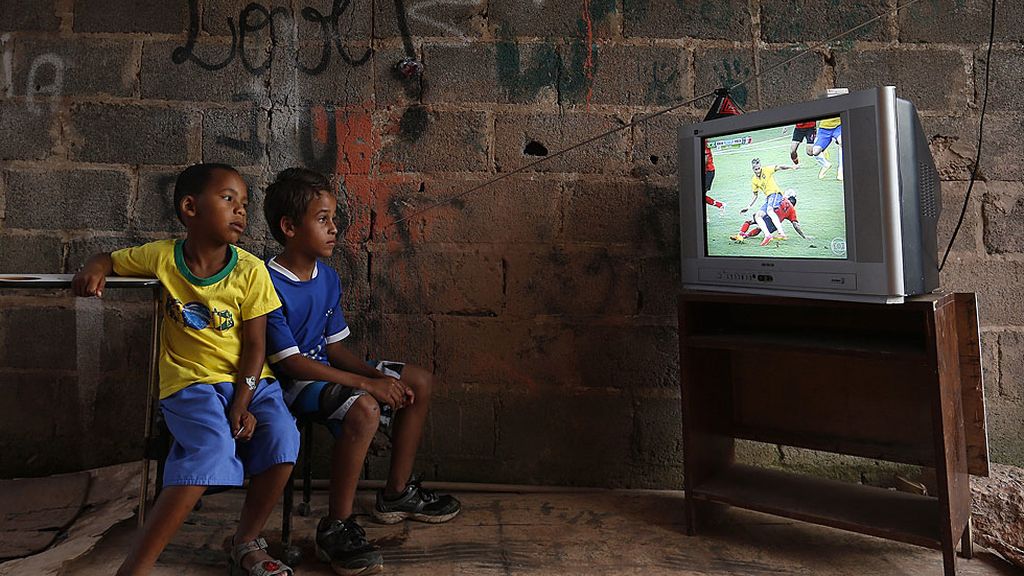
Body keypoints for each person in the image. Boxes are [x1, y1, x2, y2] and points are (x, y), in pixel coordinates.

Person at [72, 163, 299, 576]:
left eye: (244, 204)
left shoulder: (250, 271)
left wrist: (242, 402)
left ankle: (244, 541)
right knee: (212, 450)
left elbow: (255, 346)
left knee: (284, 439)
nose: (240, 211)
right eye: (228, 199)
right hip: (191, 384)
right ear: (190, 207)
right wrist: (96, 266)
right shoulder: (162, 258)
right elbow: (110, 259)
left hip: (251, 383)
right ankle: (136, 567)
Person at [261, 168, 461, 575]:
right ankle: (336, 526)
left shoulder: (328, 277)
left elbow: (334, 348)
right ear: (289, 227)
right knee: (366, 407)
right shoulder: (266, 282)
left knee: (417, 381)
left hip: (324, 371)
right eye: (323, 219)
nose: (335, 228)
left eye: (334, 218)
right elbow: (293, 363)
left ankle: (397, 494)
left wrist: (382, 379)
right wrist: (369, 384)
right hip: (289, 385)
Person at [731, 191, 809, 246]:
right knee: (759, 228)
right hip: (774, 226)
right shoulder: (792, 210)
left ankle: (741, 235)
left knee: (751, 221)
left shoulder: (781, 198)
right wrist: (804, 236)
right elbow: (796, 225)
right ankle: (745, 236)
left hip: (768, 215)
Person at [810, 116, 843, 180]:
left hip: (838, 126)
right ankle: (826, 165)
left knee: (842, 142)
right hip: (824, 129)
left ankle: (841, 172)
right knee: (815, 151)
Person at [704, 142, 725, 215]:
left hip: (708, 172)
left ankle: (720, 205)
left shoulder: (704, 143)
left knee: (701, 194)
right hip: (707, 171)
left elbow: (705, 159)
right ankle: (719, 205)